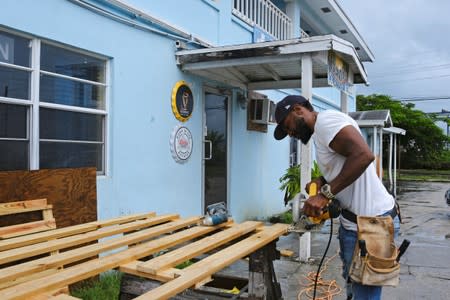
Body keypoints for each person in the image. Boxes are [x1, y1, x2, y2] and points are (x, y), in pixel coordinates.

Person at [273, 95, 400, 300]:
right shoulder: (321, 130)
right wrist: (322, 179)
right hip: (355, 222)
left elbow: (363, 155)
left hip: (372, 224)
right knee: (354, 286)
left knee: (365, 295)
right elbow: (345, 161)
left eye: (287, 126)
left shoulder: (326, 122)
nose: (290, 133)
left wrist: (325, 195)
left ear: (298, 109)